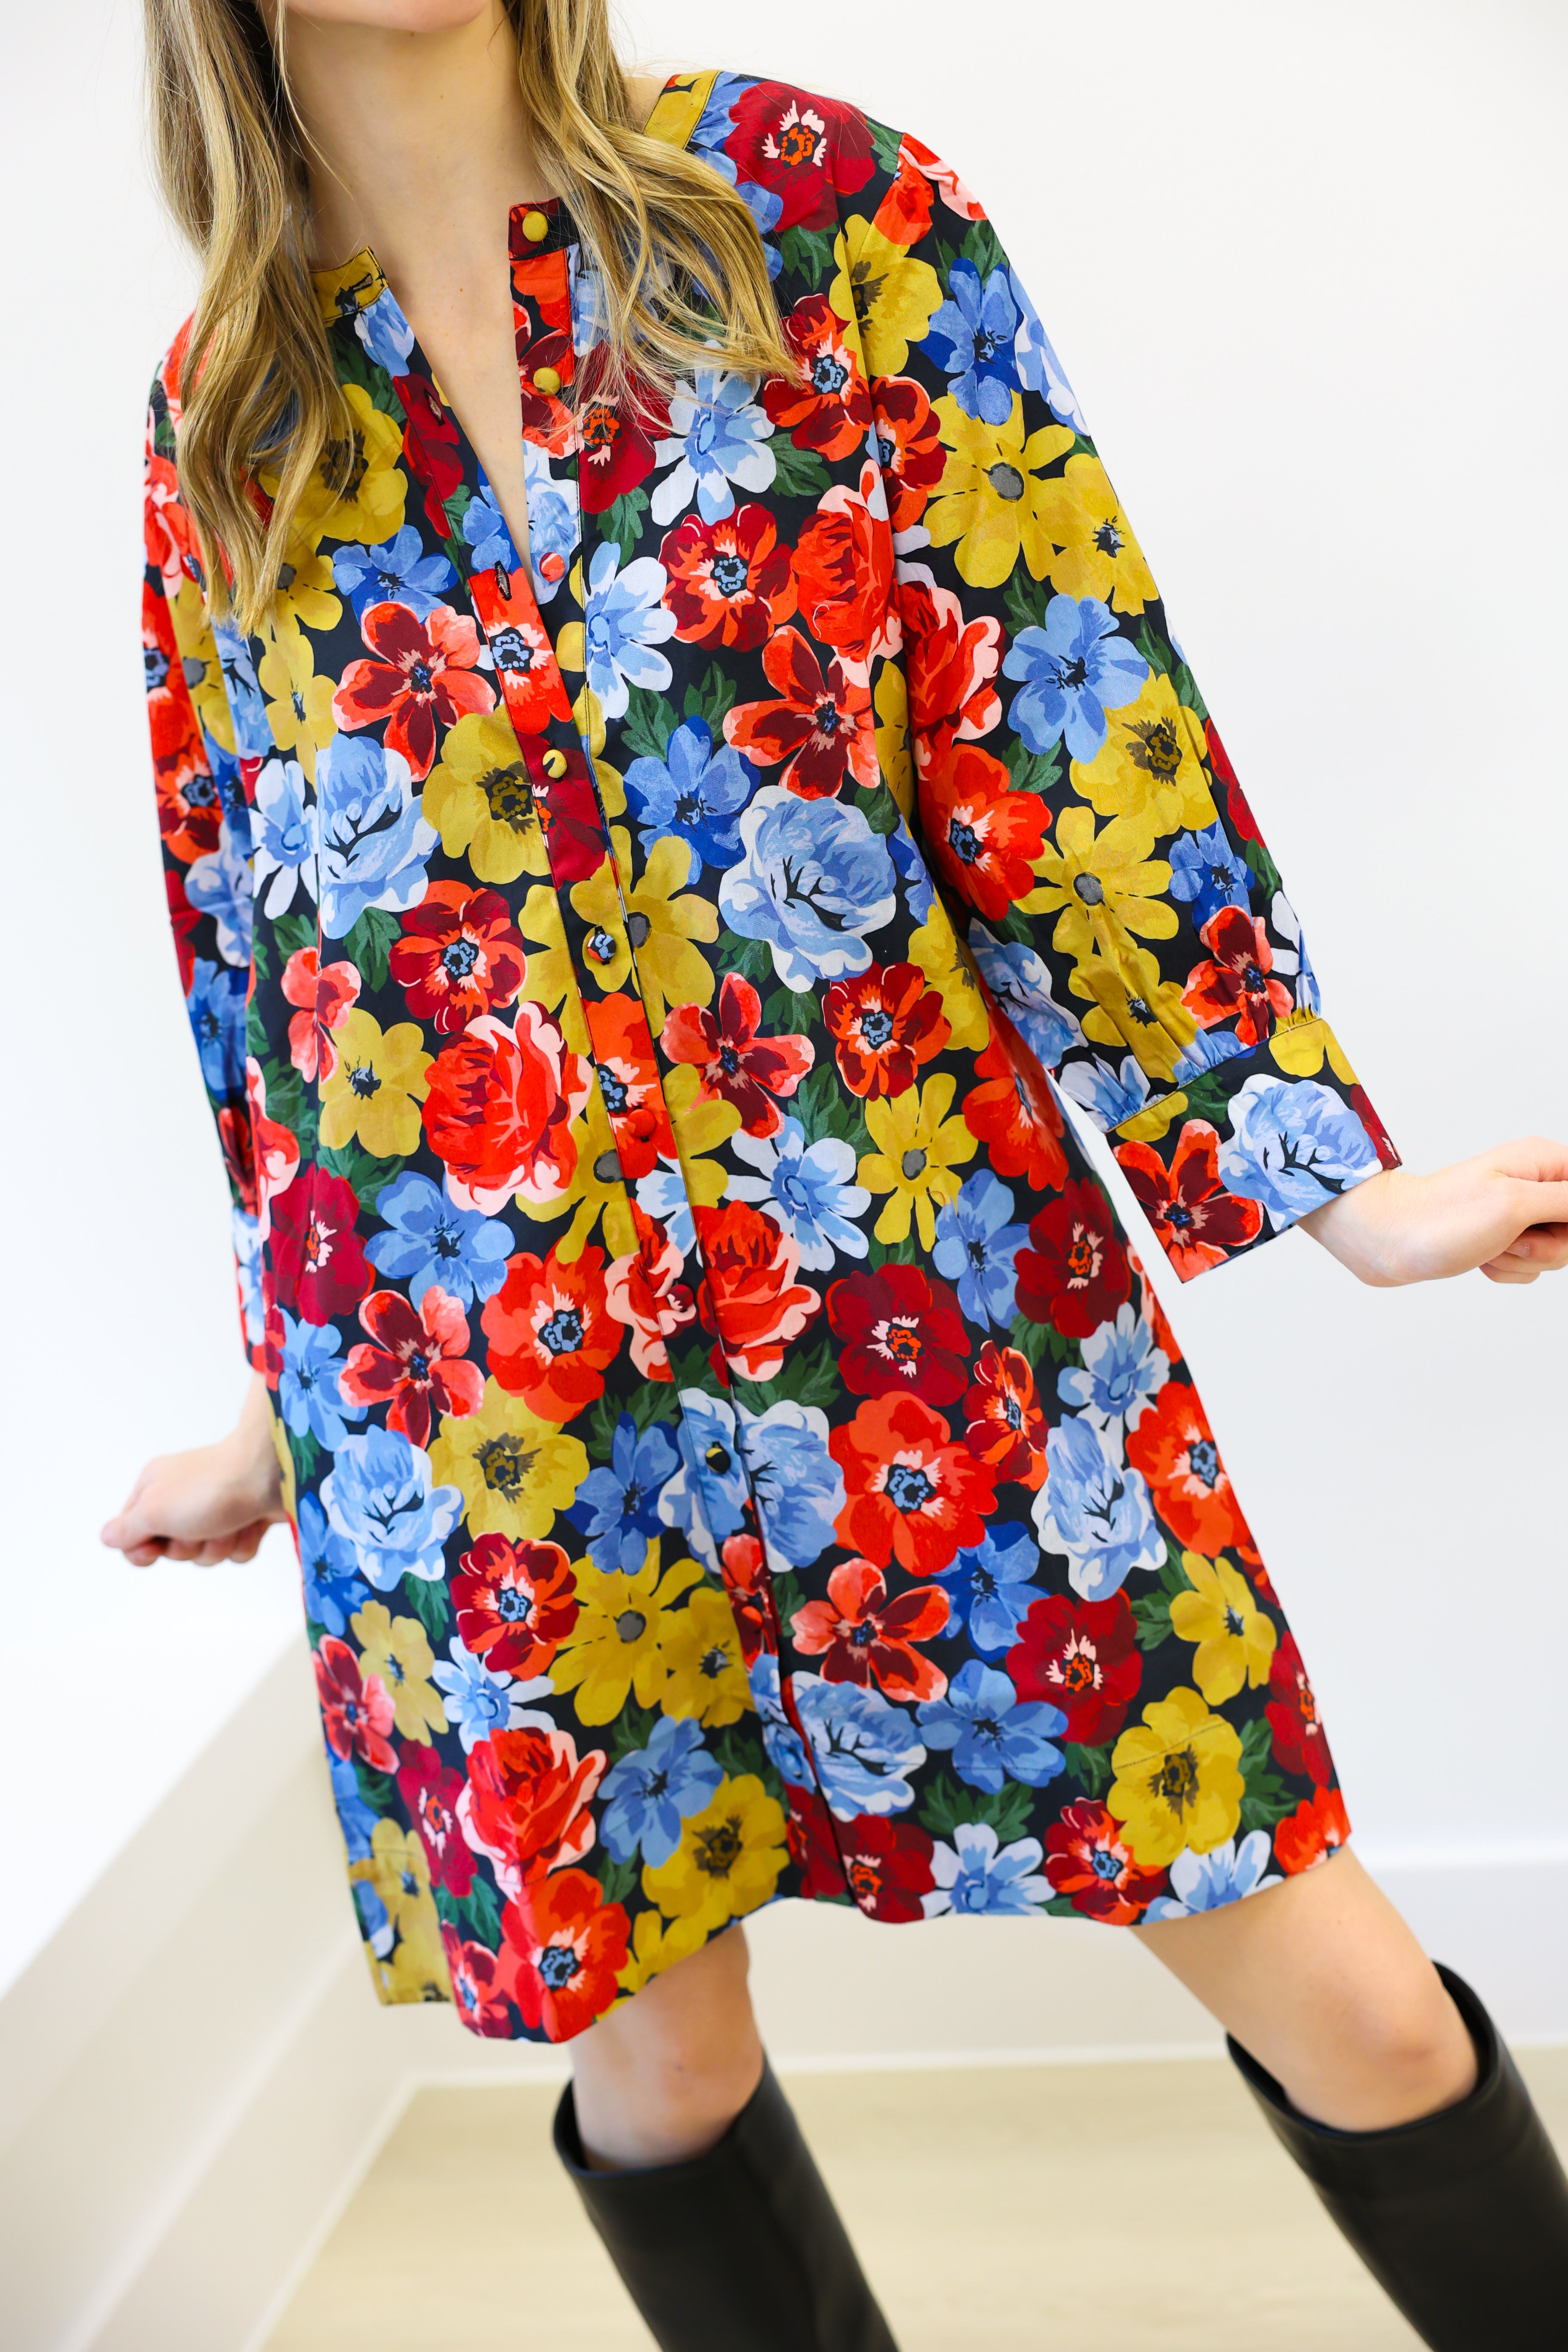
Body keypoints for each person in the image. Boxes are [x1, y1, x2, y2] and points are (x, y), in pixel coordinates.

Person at [105, 3, 1568, 2346]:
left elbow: (1068, 717)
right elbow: (276, 991)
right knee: (666, 2069)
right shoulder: (228, 416)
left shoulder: (820, 218)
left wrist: (1324, 1181)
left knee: (1358, 2004)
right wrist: (285, 1418)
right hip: (496, 1418)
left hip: (926, 1306)